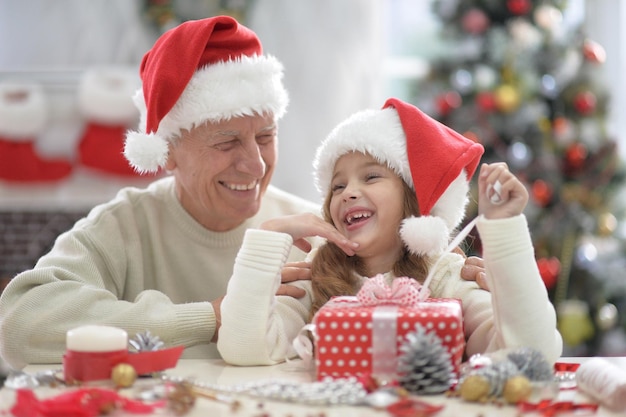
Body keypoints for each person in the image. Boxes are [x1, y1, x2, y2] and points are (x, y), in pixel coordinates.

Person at [0, 17, 485, 370]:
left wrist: (459, 272)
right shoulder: (125, 226)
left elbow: (401, 287)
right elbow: (21, 325)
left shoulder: (317, 235)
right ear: (168, 152)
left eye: (266, 137)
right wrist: (207, 317)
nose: (254, 164)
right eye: (227, 141)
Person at [218, 98, 563, 367]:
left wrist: (504, 228)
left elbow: (531, 353)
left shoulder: (446, 278)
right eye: (337, 186)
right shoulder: (316, 277)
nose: (348, 192)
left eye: (370, 177)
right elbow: (244, 349)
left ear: (413, 203)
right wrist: (267, 236)